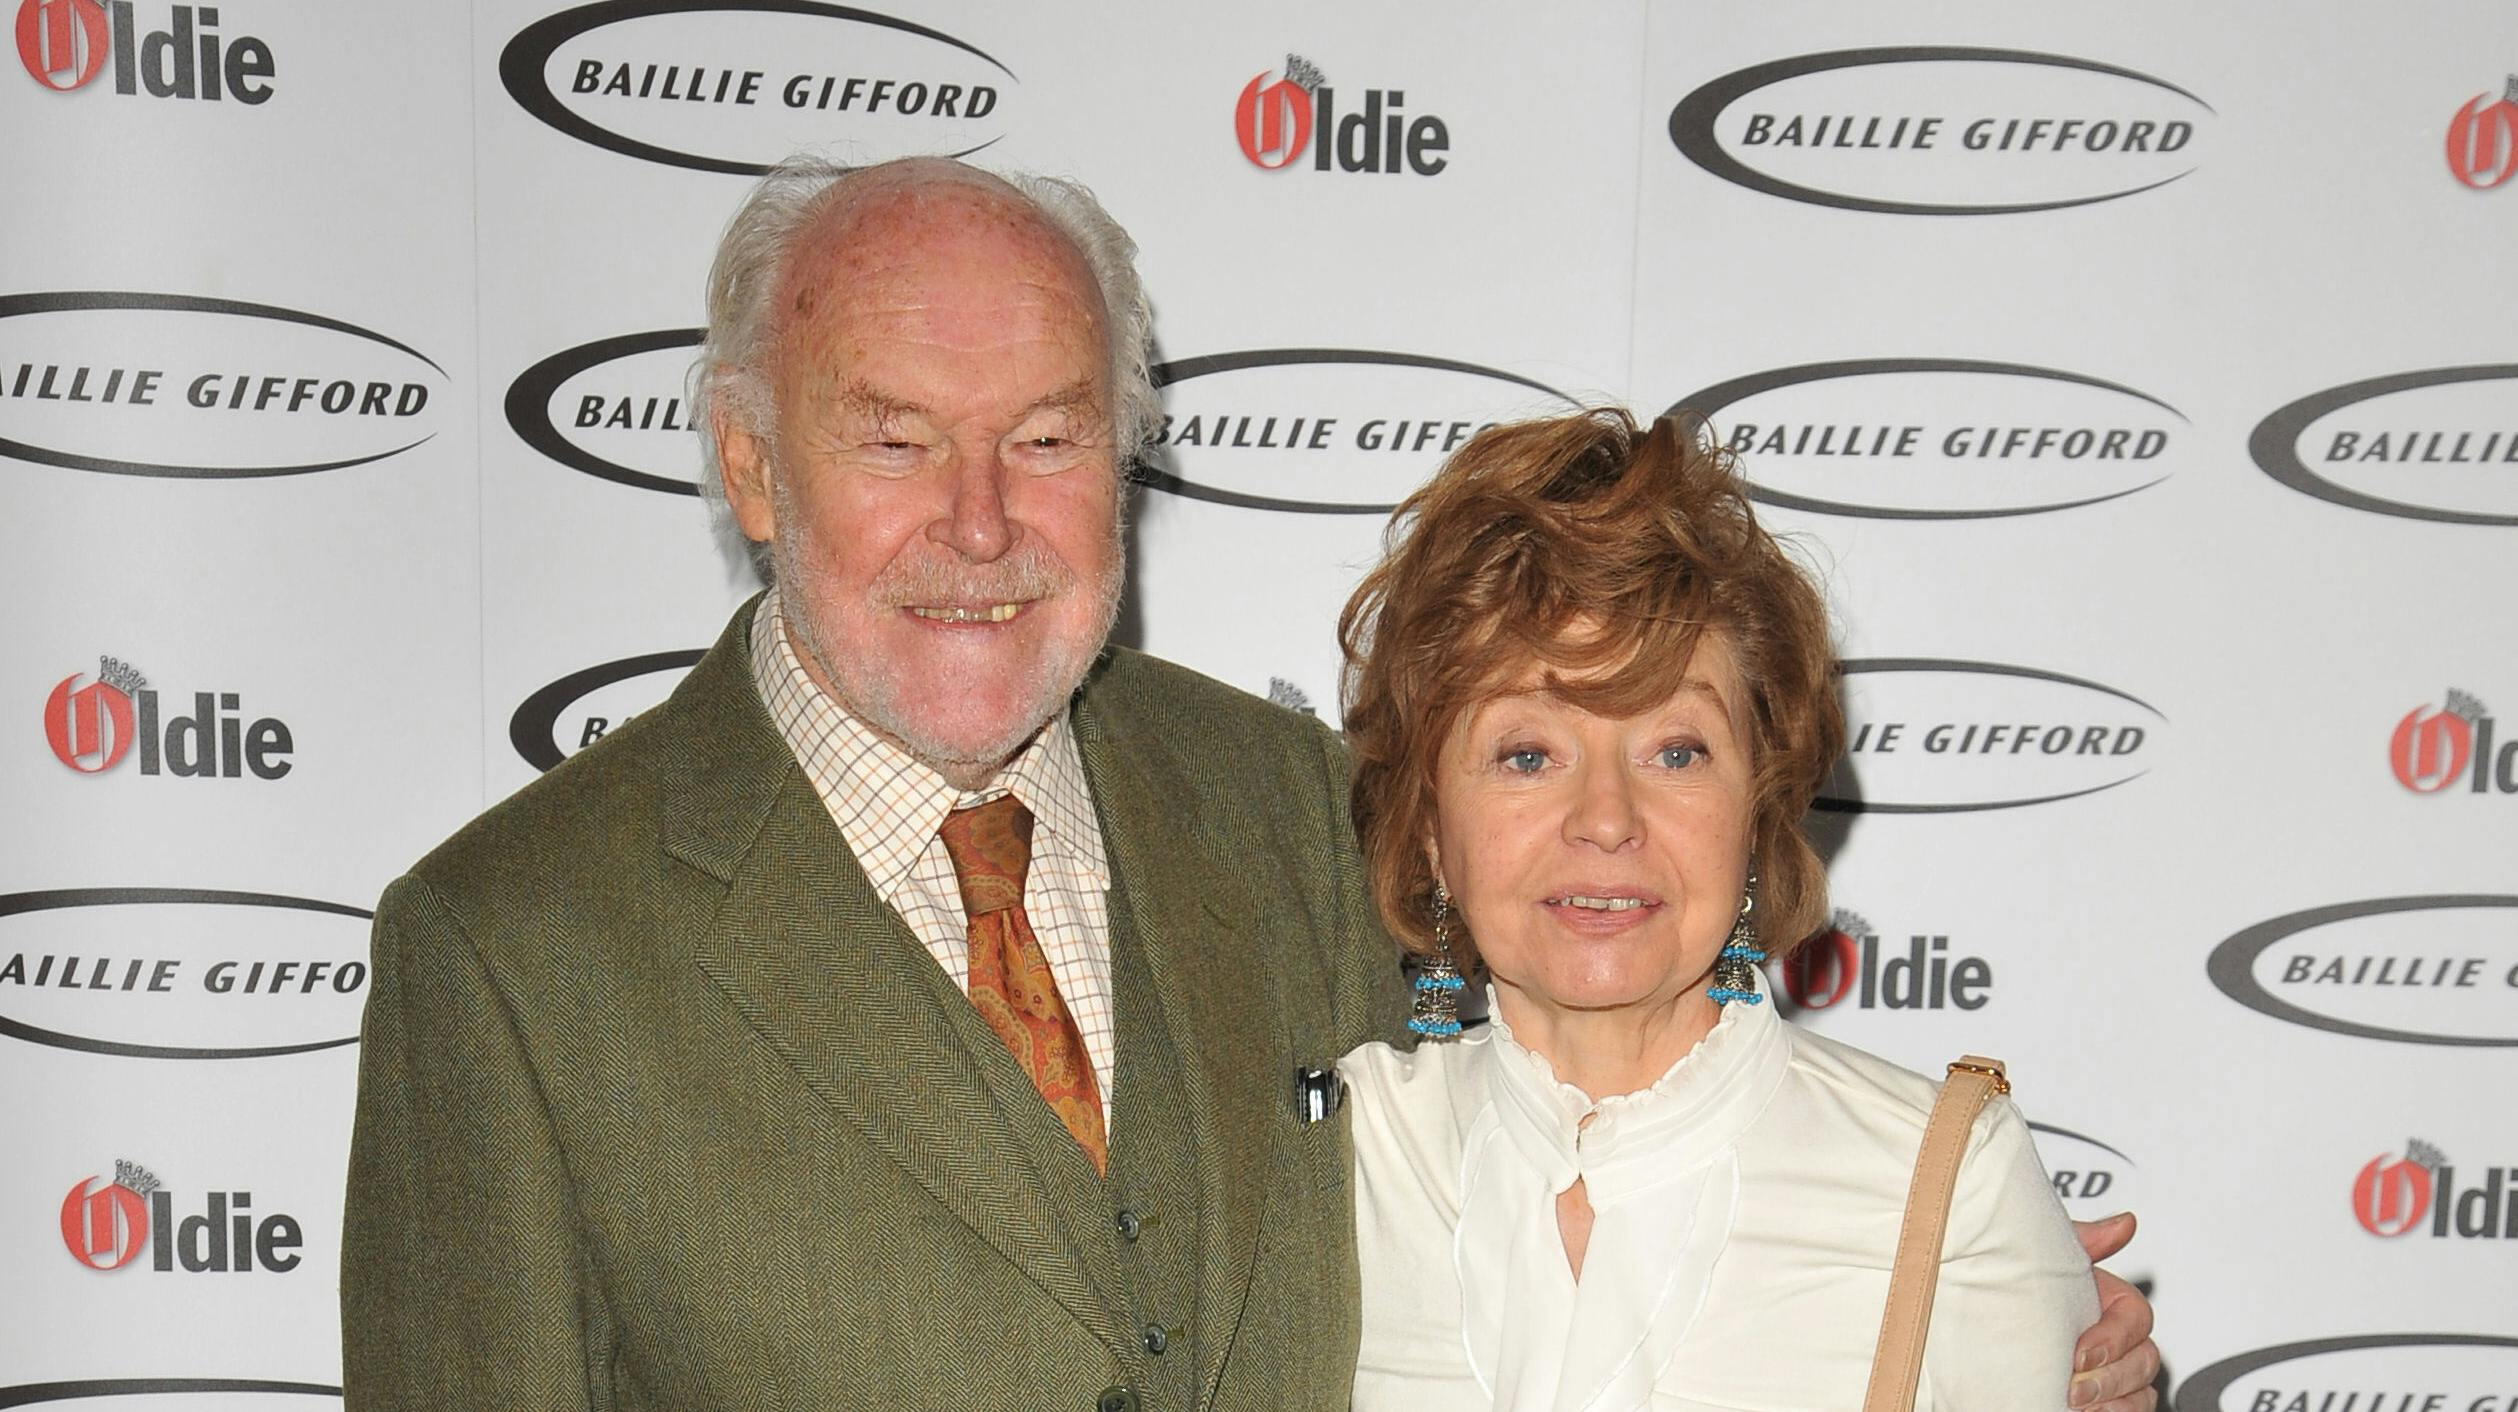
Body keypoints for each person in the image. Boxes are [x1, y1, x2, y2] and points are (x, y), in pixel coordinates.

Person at [340, 157, 2160, 1411]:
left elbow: (1603, 1121)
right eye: (892, 438)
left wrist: (1973, 1309)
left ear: (1125, 455)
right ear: (749, 462)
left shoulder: (1287, 800)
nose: (978, 523)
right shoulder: (511, 952)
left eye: (1046, 437)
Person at [1336, 408, 2133, 1410]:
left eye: (1676, 749)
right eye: (1527, 752)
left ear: (1756, 811)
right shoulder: (1335, 1158)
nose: (1607, 817)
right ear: (1426, 832)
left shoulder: (1941, 1183)